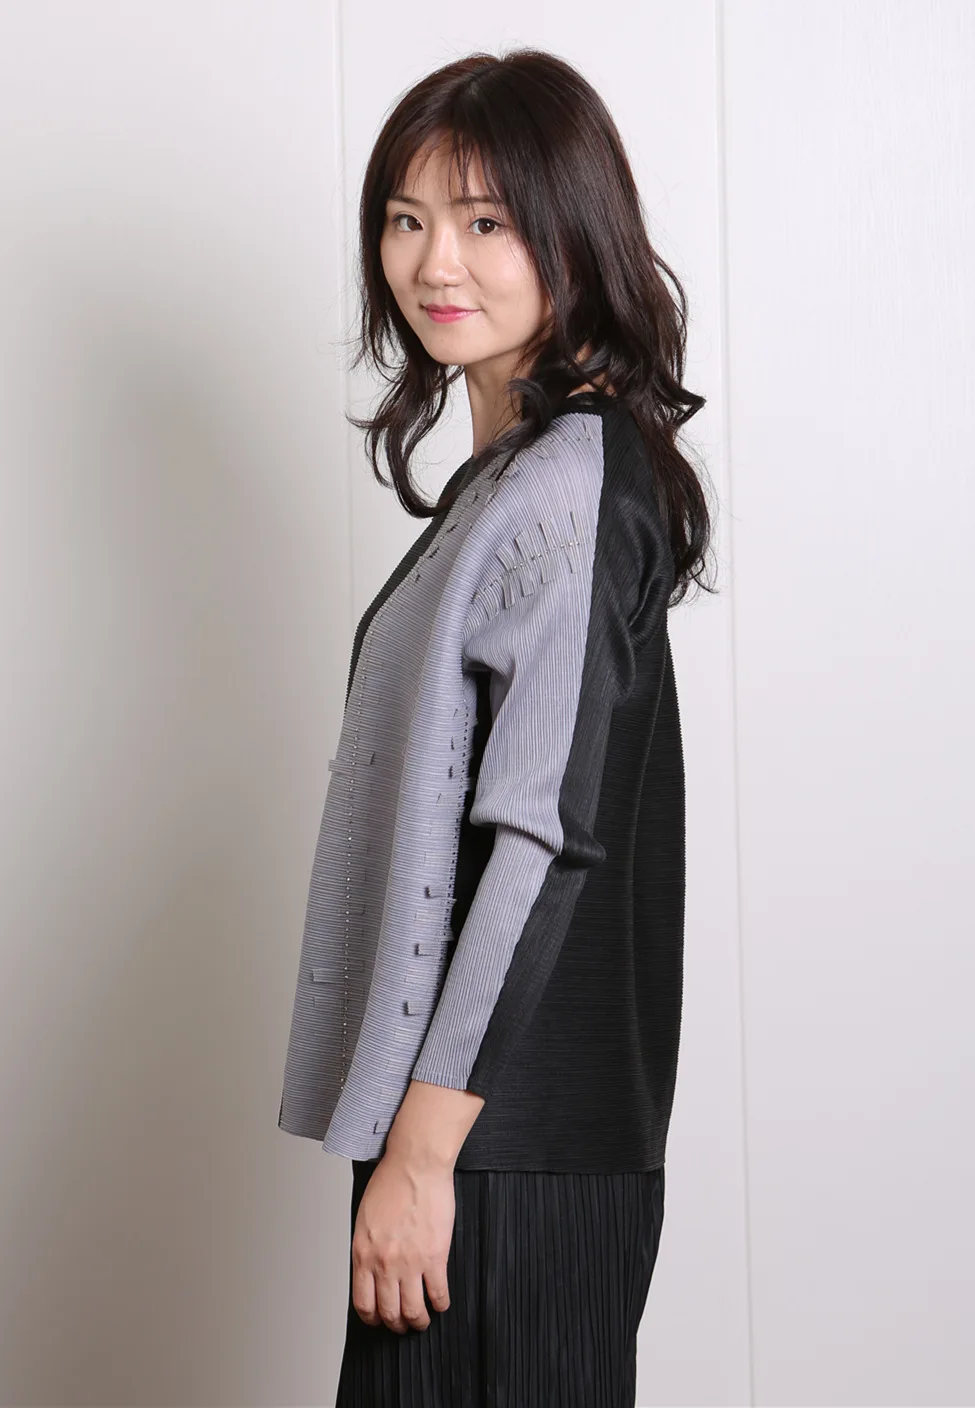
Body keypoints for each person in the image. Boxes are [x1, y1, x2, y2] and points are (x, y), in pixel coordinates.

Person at [277, 45, 716, 1408]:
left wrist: (422, 1159)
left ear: (570, 235)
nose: (434, 262)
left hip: (497, 1149)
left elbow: (542, 839)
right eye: (406, 219)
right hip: (478, 1134)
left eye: (484, 220)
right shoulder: (517, 476)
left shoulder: (568, 481)